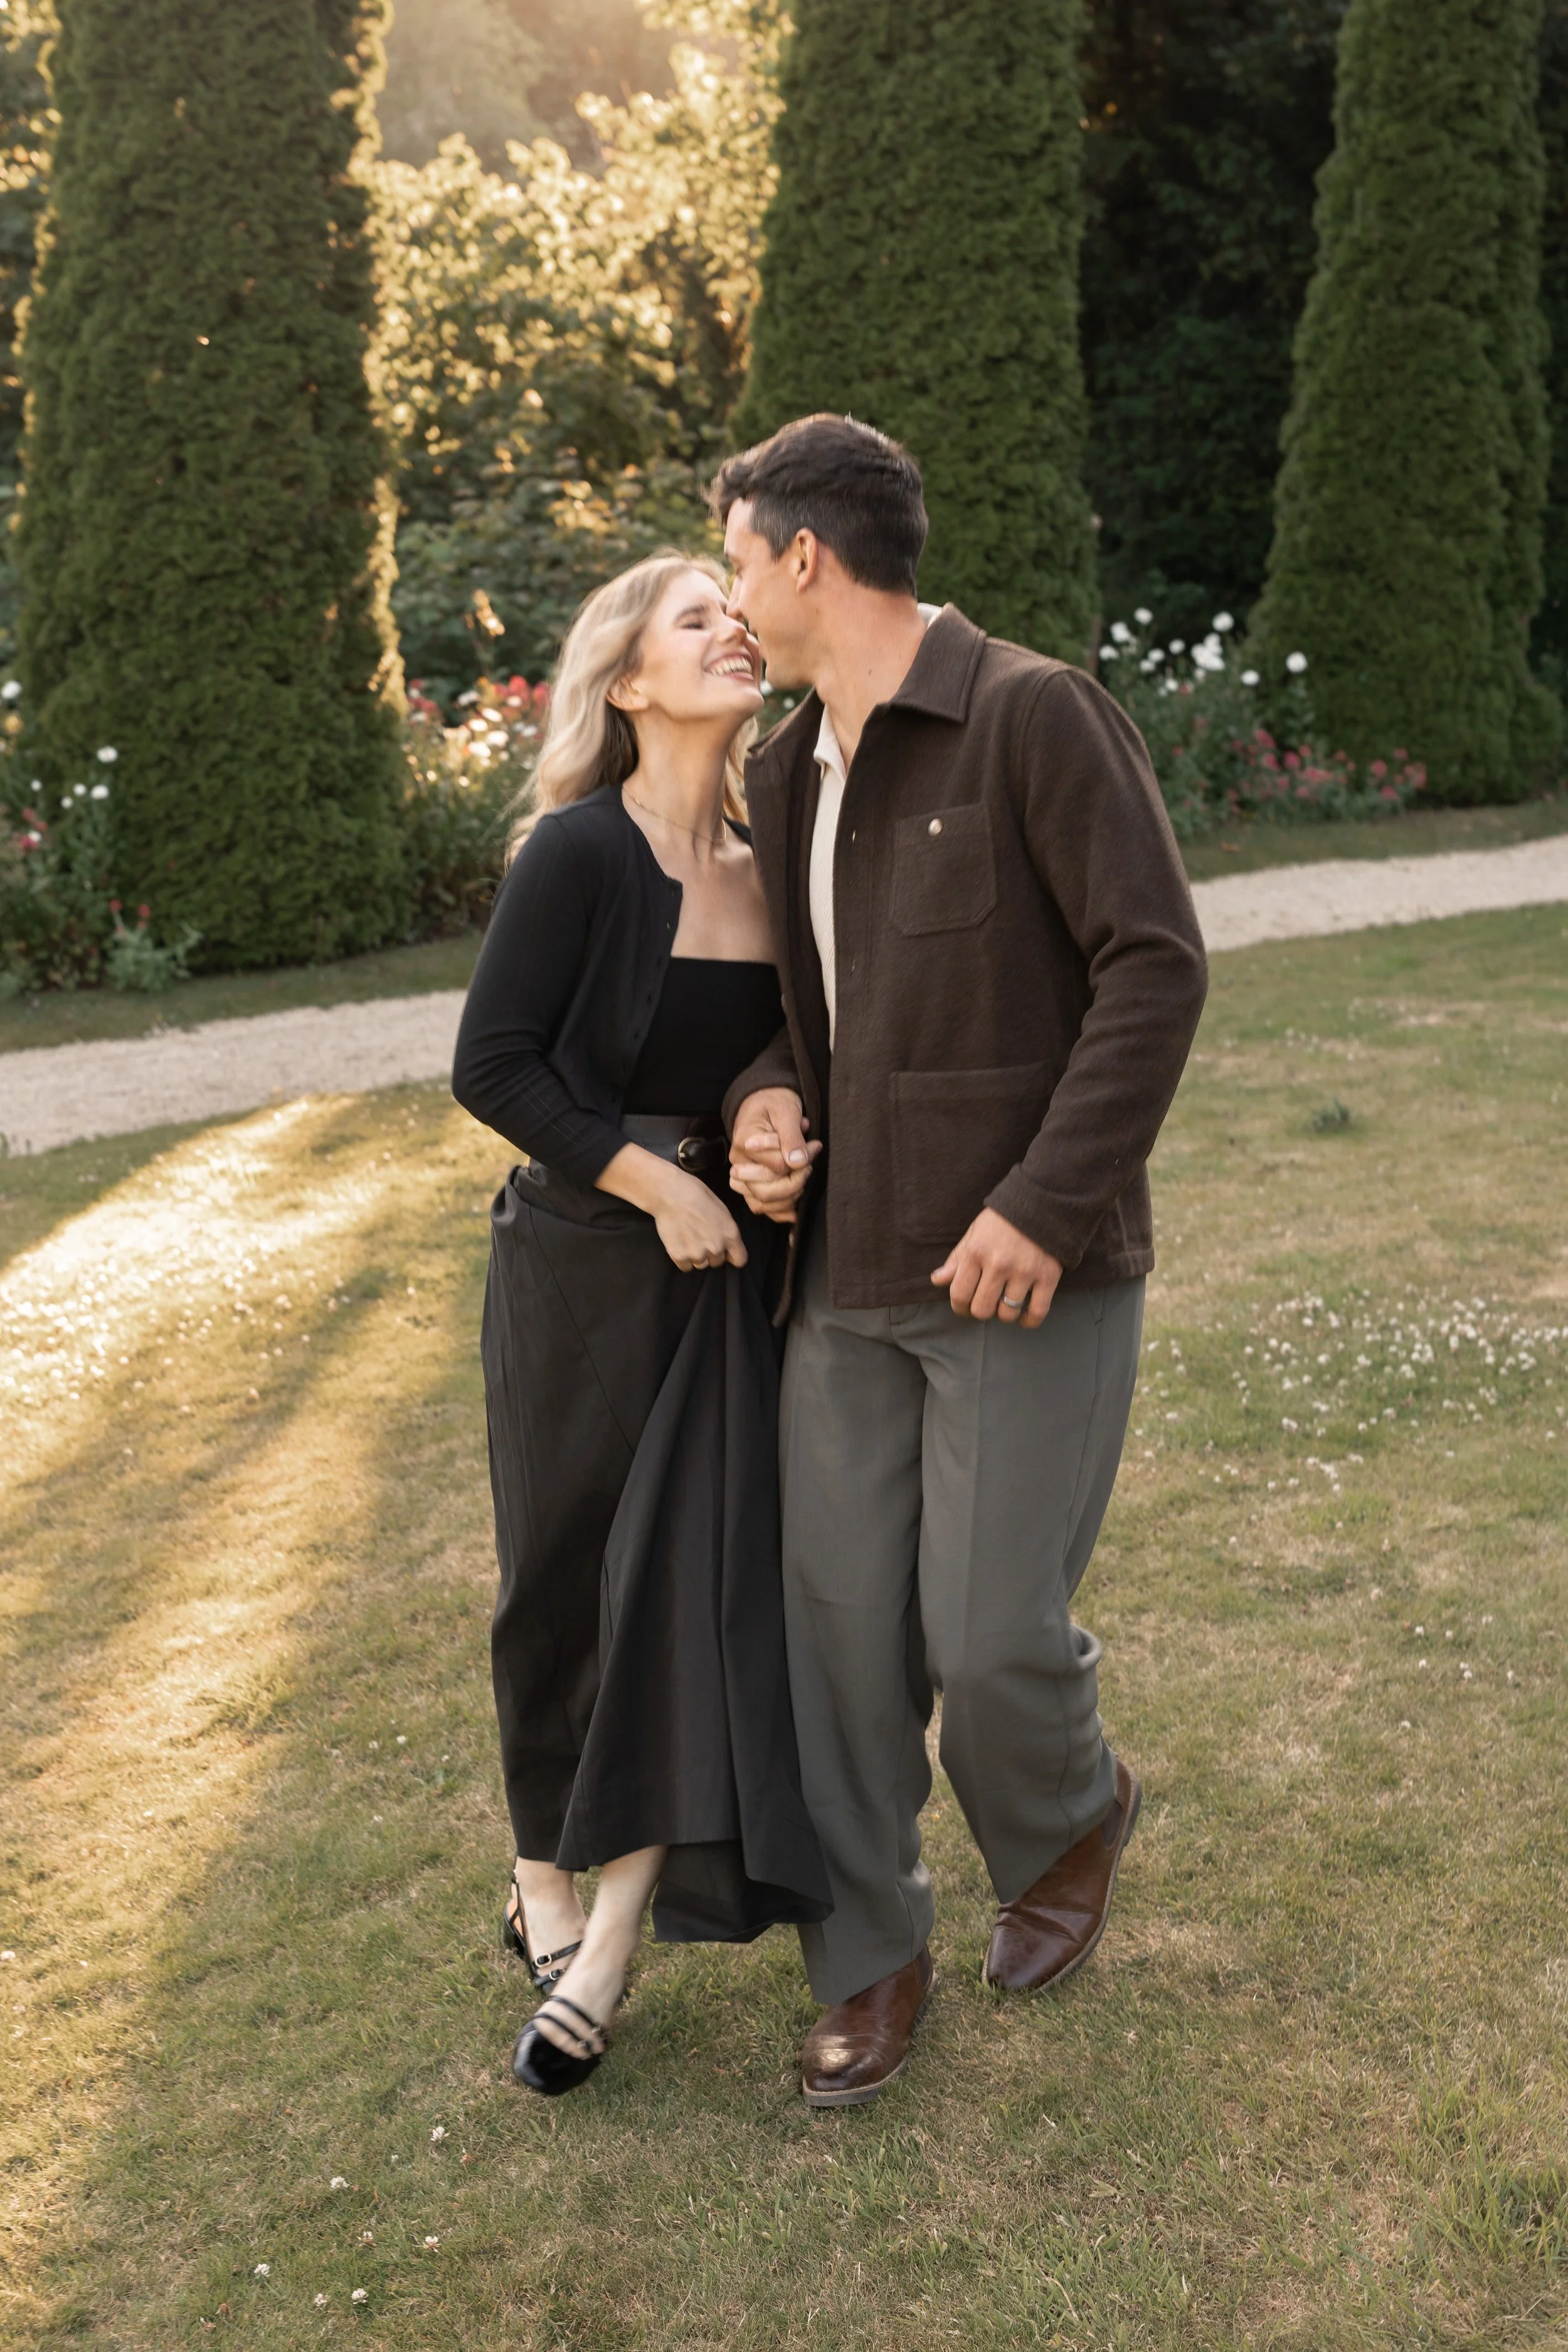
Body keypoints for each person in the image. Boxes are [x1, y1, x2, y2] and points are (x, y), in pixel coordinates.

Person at [712, 414, 1209, 2107]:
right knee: (837, 1643)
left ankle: (1068, 1810)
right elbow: (801, 1022)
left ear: (802, 557)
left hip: (1024, 1275)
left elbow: (1153, 969)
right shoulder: (784, 769)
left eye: (733, 560)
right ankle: (867, 1948)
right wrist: (768, 1105)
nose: (730, 596)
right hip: (839, 1289)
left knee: (990, 1635)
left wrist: (1043, 1204)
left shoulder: (1032, 714)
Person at [451, 551, 830, 2099]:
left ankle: (604, 1948)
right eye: (698, 618)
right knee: (558, 1585)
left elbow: (784, 1052)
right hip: (575, 1275)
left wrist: (768, 1130)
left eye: (735, 615)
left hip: (723, 1294)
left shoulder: (770, 851)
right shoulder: (578, 855)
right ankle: (542, 1873)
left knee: (682, 1592)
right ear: (628, 683)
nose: (734, 630)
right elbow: (494, 1066)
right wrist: (645, 1181)